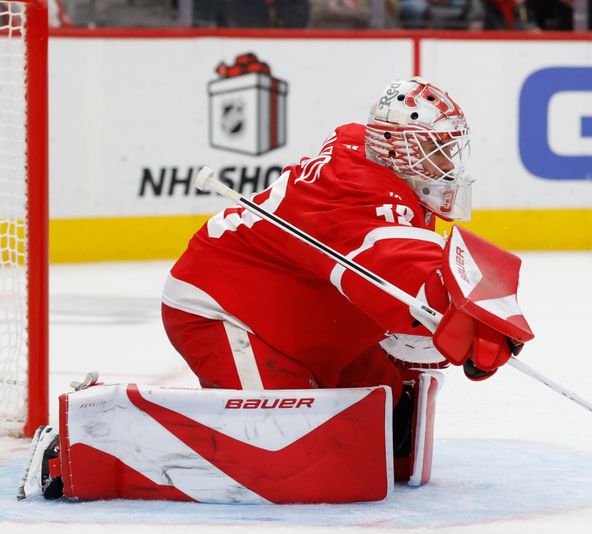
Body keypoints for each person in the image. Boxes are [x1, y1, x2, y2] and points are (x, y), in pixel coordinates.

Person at [19, 78, 530, 503]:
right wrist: (467, 325)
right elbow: (396, 262)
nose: (445, 163)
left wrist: (465, 316)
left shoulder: (371, 157)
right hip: (226, 308)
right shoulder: (361, 191)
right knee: (272, 453)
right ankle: (87, 437)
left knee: (380, 410)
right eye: (435, 150)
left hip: (304, 314)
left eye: (447, 149)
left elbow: (395, 258)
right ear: (400, 148)